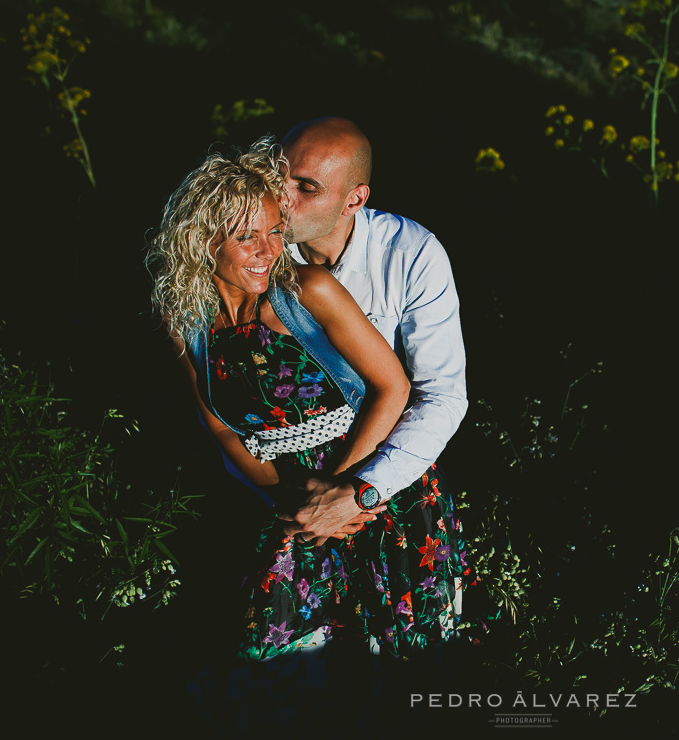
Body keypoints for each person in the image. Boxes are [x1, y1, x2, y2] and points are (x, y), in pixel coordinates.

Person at [146, 136, 471, 665]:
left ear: (353, 199)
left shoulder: (329, 280)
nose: (272, 243)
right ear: (202, 239)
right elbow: (221, 425)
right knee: (287, 667)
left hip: (374, 485)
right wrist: (288, 504)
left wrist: (343, 492)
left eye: (274, 231)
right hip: (285, 501)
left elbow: (418, 391)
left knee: (405, 657)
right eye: (248, 234)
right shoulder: (186, 321)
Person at [276, 116, 469, 547]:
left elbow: (443, 394)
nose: (281, 197)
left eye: (306, 187)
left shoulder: (412, 254)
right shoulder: (251, 253)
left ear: (354, 200)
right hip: (284, 494)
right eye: (278, 177)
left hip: (389, 485)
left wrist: (356, 492)